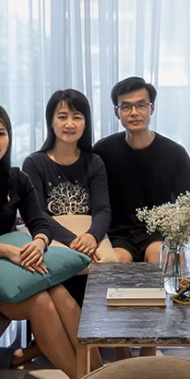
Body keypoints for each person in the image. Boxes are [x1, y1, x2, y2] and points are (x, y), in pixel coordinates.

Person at [0, 101, 93, 379]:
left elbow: (40, 222)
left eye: (0, 133)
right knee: (40, 303)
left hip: (8, 264)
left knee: (62, 295)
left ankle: (99, 377)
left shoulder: (17, 178)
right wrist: (9, 252)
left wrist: (38, 243)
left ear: (9, 137)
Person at [94, 76, 190, 264]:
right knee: (116, 261)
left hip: (159, 235)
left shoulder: (174, 153)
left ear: (152, 108)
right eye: (126, 107)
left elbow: (189, 209)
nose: (134, 113)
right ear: (117, 112)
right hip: (117, 236)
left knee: (156, 256)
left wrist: (187, 252)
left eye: (141, 105)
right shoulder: (103, 151)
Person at [23, 88, 115, 262]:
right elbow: (37, 213)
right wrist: (72, 240)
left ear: (85, 123)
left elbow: (102, 209)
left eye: (77, 117)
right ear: (51, 121)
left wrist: (92, 236)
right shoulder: (34, 163)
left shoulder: (94, 162)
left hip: (88, 235)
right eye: (62, 117)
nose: (70, 124)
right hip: (50, 236)